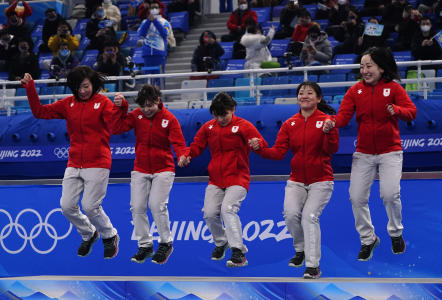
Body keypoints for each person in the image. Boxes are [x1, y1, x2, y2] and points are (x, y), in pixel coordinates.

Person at [323, 47, 417, 261]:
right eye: (362, 66)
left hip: (390, 152)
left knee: (389, 195)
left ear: (381, 68)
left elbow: (411, 111)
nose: (365, 70)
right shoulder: (355, 91)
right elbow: (344, 117)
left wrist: (397, 110)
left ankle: (396, 233)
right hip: (363, 153)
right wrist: (331, 122)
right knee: (356, 198)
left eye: (369, 66)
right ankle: (368, 239)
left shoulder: (393, 88)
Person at [20, 66, 120, 259]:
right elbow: (40, 112)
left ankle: (110, 235)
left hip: (98, 162)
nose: (82, 91)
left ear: (92, 84)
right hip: (74, 162)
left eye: (85, 86)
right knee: (66, 206)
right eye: (78, 87)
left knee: (90, 207)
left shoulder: (104, 103)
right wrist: (30, 87)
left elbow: (116, 125)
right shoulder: (68, 104)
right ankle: (88, 233)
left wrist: (120, 107)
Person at [248, 81, 339, 279]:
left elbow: (332, 150)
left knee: (309, 217)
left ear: (318, 98)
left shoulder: (327, 121)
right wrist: (259, 148)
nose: (304, 96)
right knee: (290, 215)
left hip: (321, 180)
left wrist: (328, 132)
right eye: (301, 93)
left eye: (309, 93)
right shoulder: (290, 124)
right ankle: (301, 250)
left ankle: (313, 266)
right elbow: (278, 153)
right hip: (296, 180)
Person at [178, 92, 268, 267]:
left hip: (238, 178)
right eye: (217, 115)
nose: (221, 119)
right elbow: (196, 146)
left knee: (228, 209)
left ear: (233, 109)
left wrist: (258, 144)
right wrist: (186, 155)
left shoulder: (244, 126)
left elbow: (260, 142)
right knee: (209, 213)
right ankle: (221, 242)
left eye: (224, 114)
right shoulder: (208, 127)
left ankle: (238, 252)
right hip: (216, 180)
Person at [112, 85, 187, 264]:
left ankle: (165, 243)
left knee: (156, 205)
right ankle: (145, 246)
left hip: (164, 169)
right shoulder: (136, 115)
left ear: (158, 101)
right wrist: (121, 107)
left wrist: (183, 155)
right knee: (136, 207)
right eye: (143, 106)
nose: (146, 109)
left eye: (150, 105)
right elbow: (116, 128)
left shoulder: (169, 119)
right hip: (140, 168)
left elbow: (178, 143)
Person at [137, 0, 170, 71]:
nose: (154, 9)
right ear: (149, 9)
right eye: (152, 8)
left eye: (156, 7)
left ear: (159, 9)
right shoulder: (144, 22)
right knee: (148, 77)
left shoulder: (165, 22)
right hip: (147, 53)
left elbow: (164, 34)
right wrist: (149, 21)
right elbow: (141, 34)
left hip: (159, 52)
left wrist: (155, 21)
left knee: (159, 78)